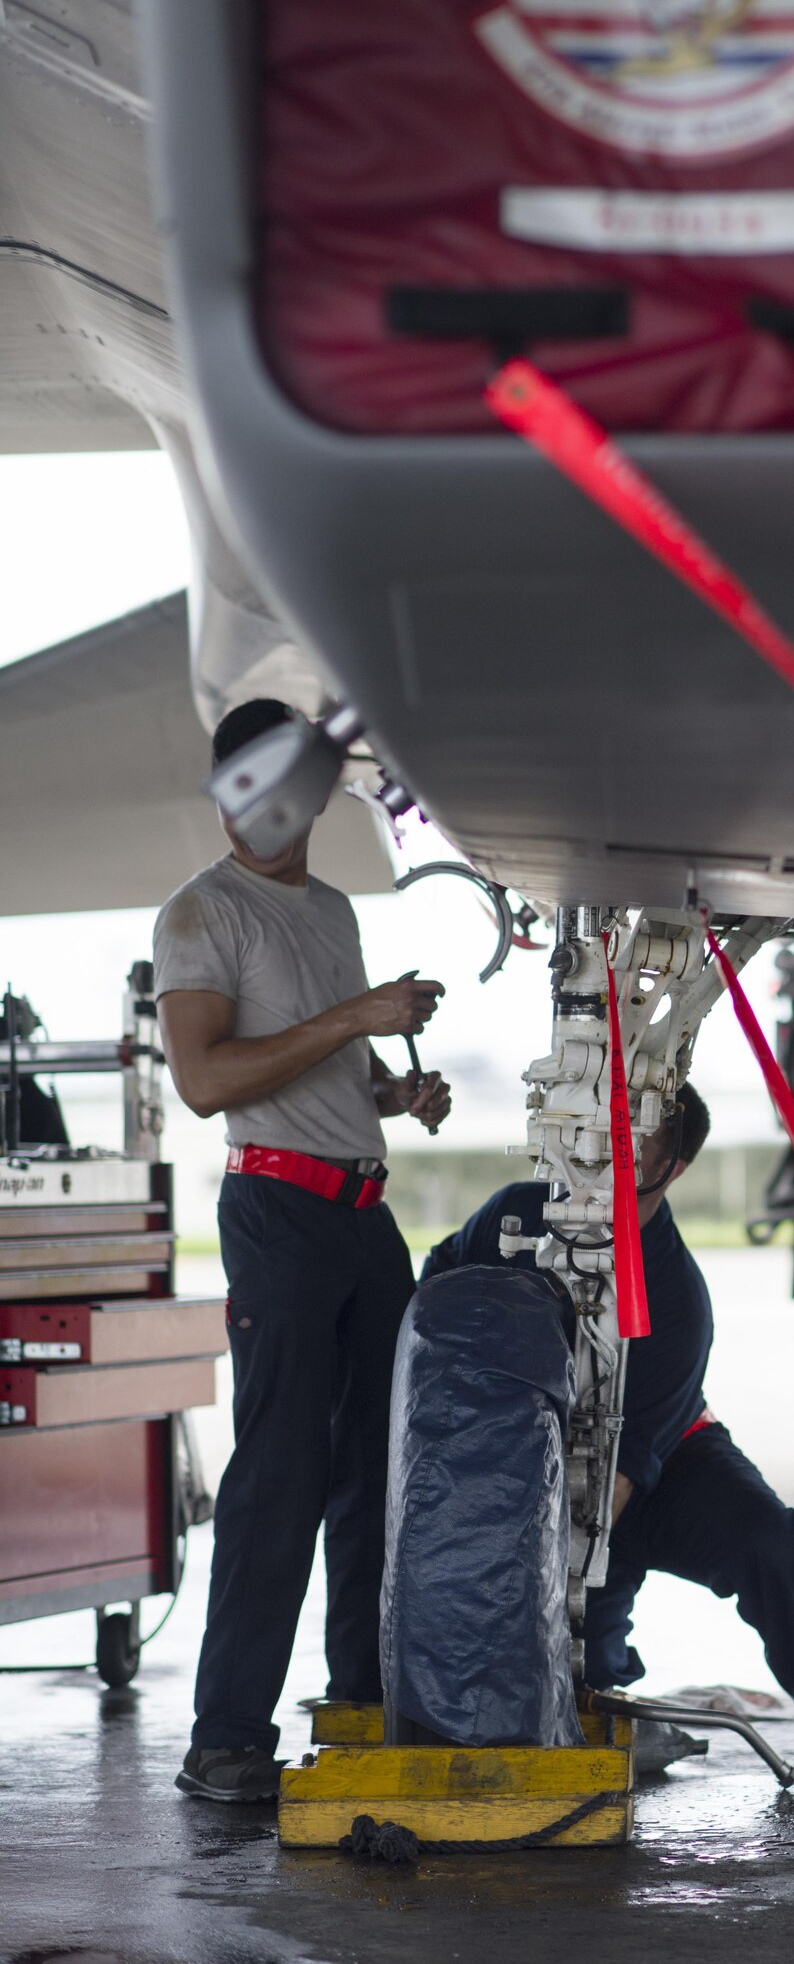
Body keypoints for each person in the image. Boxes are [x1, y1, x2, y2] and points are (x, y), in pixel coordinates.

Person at [423, 1081, 794, 1759]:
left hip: (654, 1467)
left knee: (775, 1548)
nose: (609, 1157)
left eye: (636, 1144)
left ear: (675, 1167)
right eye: (603, 1135)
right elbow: (435, 1302)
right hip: (515, 1452)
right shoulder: (515, 1217)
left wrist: (539, 1563)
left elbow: (614, 1493)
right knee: (582, 1690)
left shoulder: (678, 1299)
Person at [154, 698, 453, 1802]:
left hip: (361, 1212)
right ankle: (226, 1735)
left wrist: (391, 1087)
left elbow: (320, 1064)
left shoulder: (330, 909)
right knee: (279, 1472)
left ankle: (364, 1700)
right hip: (277, 1215)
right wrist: (353, 1020)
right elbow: (205, 1082)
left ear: (315, 791)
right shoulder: (199, 915)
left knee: (383, 1469)